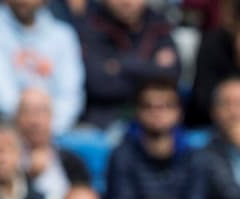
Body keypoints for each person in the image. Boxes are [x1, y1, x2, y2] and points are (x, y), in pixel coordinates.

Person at [105, 81, 207, 199]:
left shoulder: (194, 158)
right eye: (149, 106)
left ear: (178, 112)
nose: (157, 112)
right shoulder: (122, 156)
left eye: (166, 106)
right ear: (138, 112)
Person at [0, 0, 85, 134]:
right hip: (5, 126)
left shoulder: (63, 34)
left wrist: (47, 126)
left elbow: (70, 95)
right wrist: (31, 122)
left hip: (56, 130)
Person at [77, 0, 179, 128]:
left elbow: (170, 76)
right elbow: (97, 84)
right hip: (102, 122)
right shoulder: (90, 25)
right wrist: (150, 67)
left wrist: (121, 65)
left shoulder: (159, 25)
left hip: (152, 125)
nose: (127, 2)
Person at [16, 88, 91, 199]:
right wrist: (28, 177)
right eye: (27, 112)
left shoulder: (73, 162)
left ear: (52, 117)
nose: (34, 121)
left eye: (40, 112)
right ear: (17, 118)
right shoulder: (5, 161)